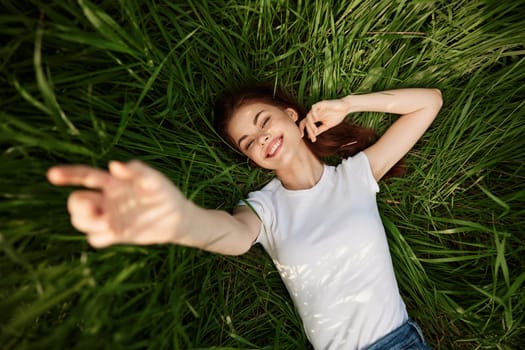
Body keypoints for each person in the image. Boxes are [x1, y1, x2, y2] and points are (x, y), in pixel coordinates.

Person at [47, 84, 442, 349]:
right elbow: (232, 235)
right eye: (248, 142)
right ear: (250, 158)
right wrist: (180, 220)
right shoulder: (264, 207)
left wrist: (348, 104)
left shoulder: (355, 176)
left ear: (291, 114)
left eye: (263, 121)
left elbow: (429, 102)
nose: (261, 139)